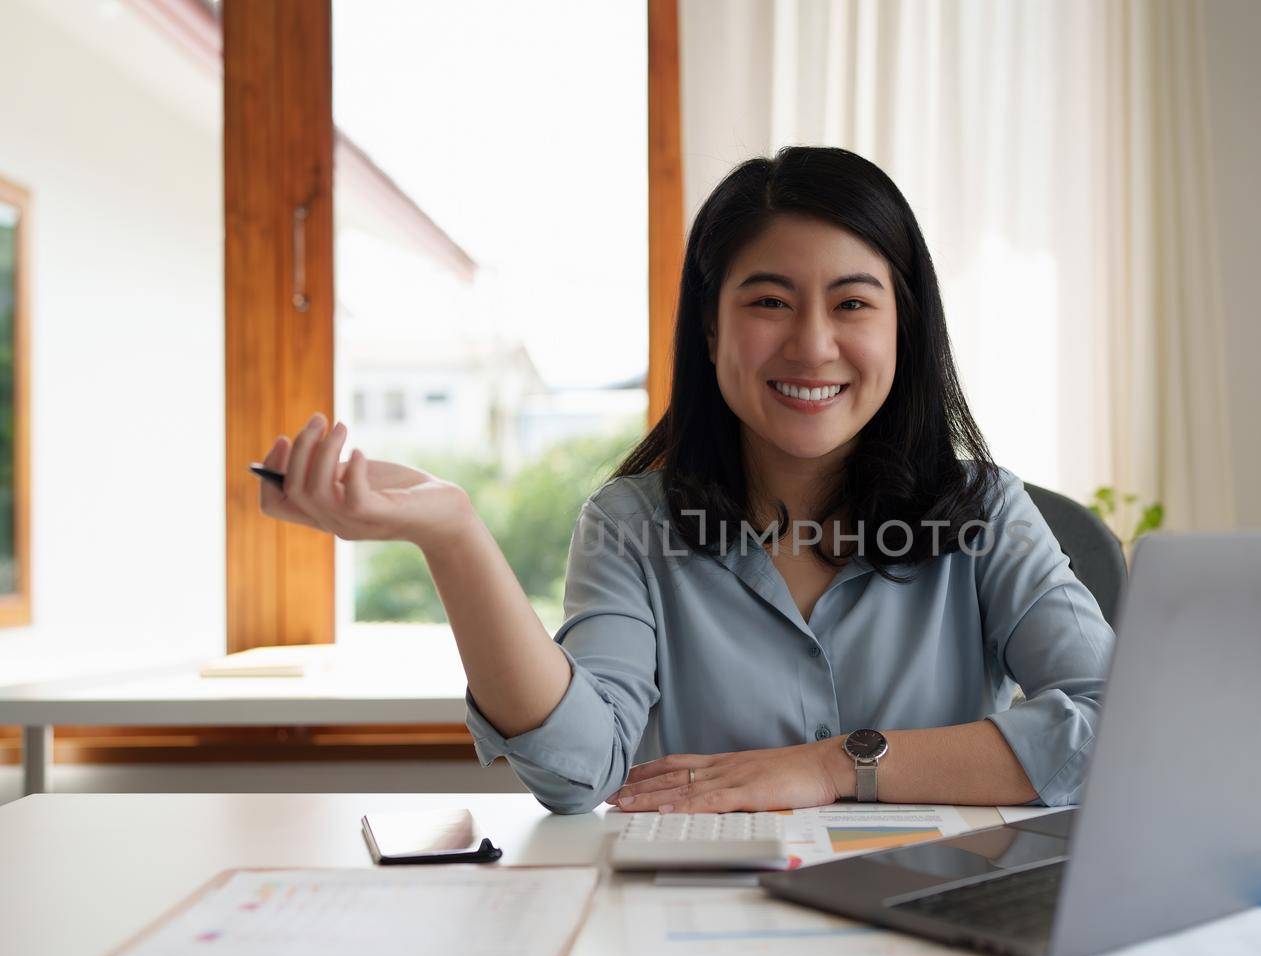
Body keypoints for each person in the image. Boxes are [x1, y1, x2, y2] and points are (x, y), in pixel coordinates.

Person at [257, 145, 1114, 816]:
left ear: (903, 329)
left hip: (938, 925)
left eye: (853, 304)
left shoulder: (987, 513)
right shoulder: (632, 524)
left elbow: (1118, 724)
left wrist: (830, 766)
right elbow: (578, 767)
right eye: (769, 302)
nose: (812, 345)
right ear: (710, 330)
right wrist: (452, 532)